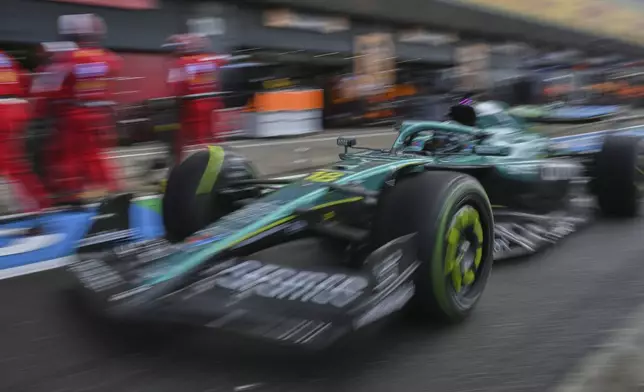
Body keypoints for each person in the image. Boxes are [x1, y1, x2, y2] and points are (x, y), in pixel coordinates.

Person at [31, 13, 122, 204]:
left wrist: (37, 113)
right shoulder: (107, 58)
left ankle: (71, 195)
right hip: (98, 114)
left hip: (71, 116)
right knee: (94, 156)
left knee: (68, 157)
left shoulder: (64, 58)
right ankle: (110, 191)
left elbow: (46, 90)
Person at [0, 50, 52, 213]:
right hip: (16, 107)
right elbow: (25, 80)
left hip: (3, 111)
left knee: (9, 164)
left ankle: (37, 206)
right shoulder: (5, 56)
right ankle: (39, 203)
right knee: (14, 164)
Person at [165, 33, 224, 164]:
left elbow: (174, 86)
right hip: (212, 103)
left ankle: (186, 167)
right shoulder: (213, 59)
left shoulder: (181, 63)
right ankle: (220, 161)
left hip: (191, 107)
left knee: (188, 139)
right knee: (211, 136)